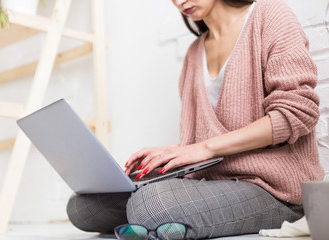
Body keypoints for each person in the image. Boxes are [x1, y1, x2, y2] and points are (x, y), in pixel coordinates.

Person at [66, 0, 324, 238]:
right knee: (83, 207)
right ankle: (164, 225)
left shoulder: (269, 16)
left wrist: (202, 147)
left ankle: (157, 221)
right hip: (215, 182)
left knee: (151, 204)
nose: (179, 1)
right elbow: (204, 141)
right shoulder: (194, 53)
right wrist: (174, 151)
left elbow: (298, 112)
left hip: (275, 190)